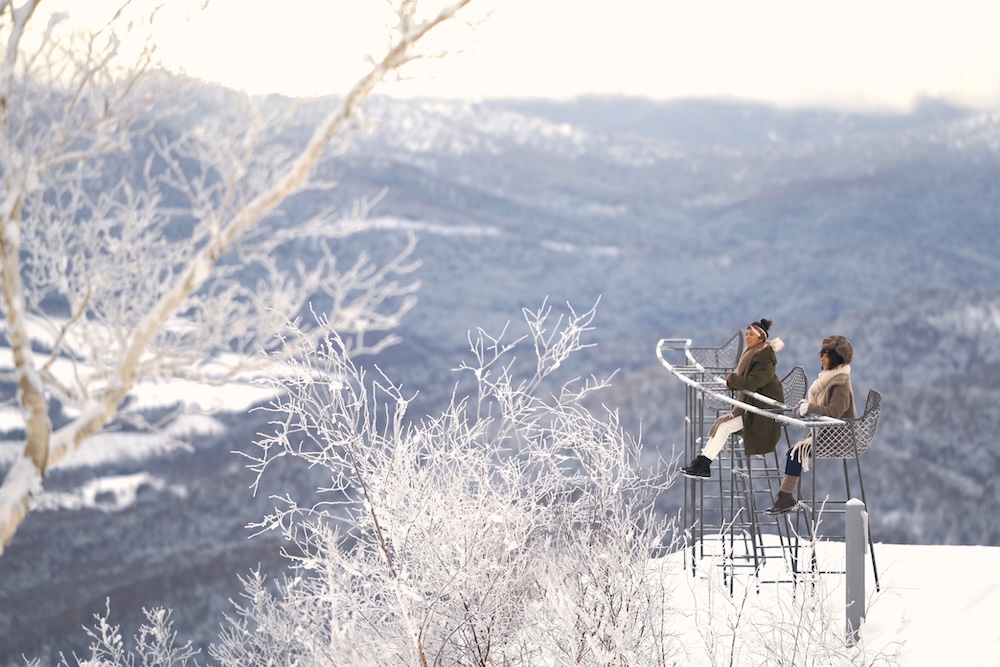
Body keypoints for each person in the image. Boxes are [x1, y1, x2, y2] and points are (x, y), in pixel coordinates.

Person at [681, 318, 785, 479]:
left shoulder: (764, 358)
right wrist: (734, 381)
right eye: (747, 333)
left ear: (761, 338)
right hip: (752, 407)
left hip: (763, 412)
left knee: (724, 427)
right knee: (723, 425)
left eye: (751, 334)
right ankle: (701, 463)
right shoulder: (753, 353)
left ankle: (703, 464)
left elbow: (752, 383)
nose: (748, 337)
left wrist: (733, 380)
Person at [765, 335, 856, 515]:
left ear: (836, 358)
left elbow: (834, 412)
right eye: (822, 354)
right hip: (829, 434)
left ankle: (785, 498)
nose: (822, 358)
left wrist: (811, 407)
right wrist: (807, 408)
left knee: (795, 453)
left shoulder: (841, 384)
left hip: (840, 437)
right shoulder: (828, 380)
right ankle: (785, 498)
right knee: (793, 452)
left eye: (826, 355)